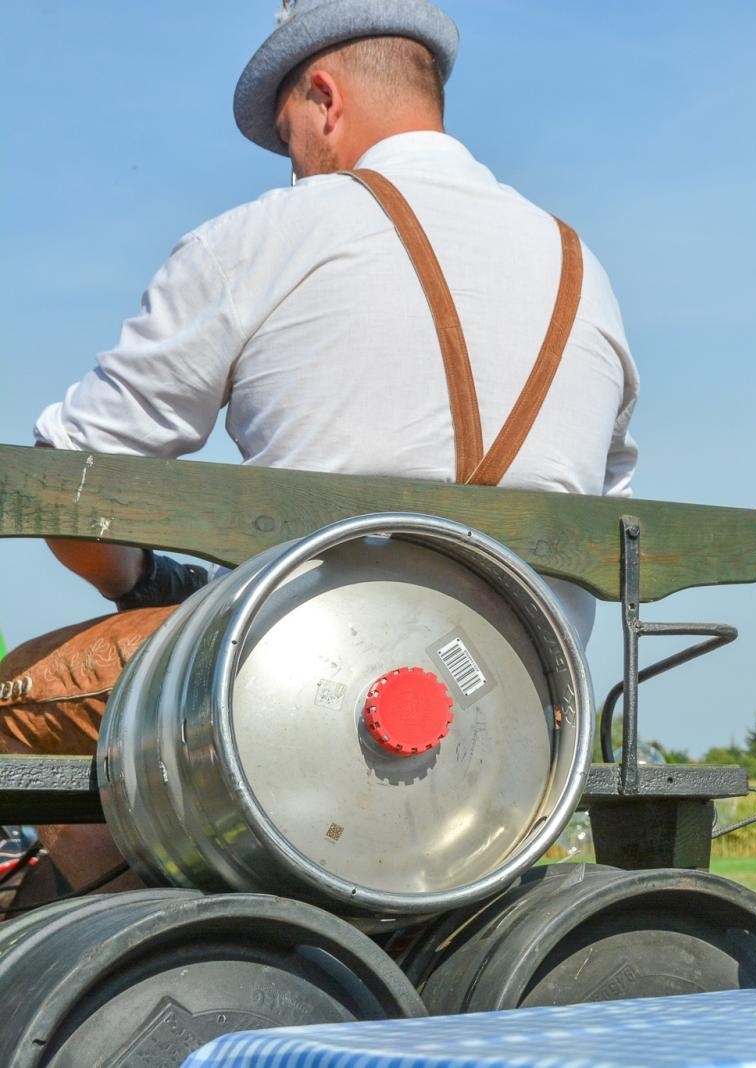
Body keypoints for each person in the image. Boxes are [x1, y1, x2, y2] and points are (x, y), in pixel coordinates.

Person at [3, 0, 638, 903]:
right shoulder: (586, 274)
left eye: (289, 133)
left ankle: (72, 926)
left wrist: (134, 582)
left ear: (326, 97)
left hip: (299, 691)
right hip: (520, 719)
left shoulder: (264, 238)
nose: (295, 159)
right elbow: (607, 511)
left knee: (20, 703)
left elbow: (70, 477)